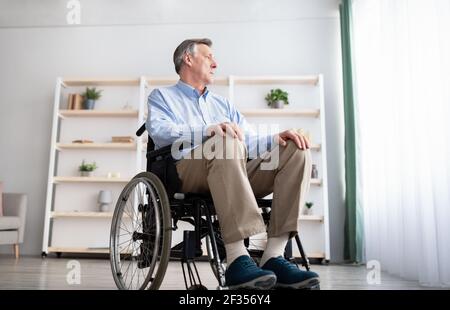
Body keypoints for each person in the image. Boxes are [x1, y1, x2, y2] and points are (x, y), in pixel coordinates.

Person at [146, 38, 319, 289]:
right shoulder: (162, 96)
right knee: (224, 141)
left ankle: (274, 256)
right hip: (187, 169)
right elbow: (162, 132)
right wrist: (208, 130)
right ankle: (238, 258)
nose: (215, 63)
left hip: (232, 168)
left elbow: (247, 140)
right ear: (188, 58)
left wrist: (276, 138)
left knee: (296, 150)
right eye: (209, 57)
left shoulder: (223, 104)